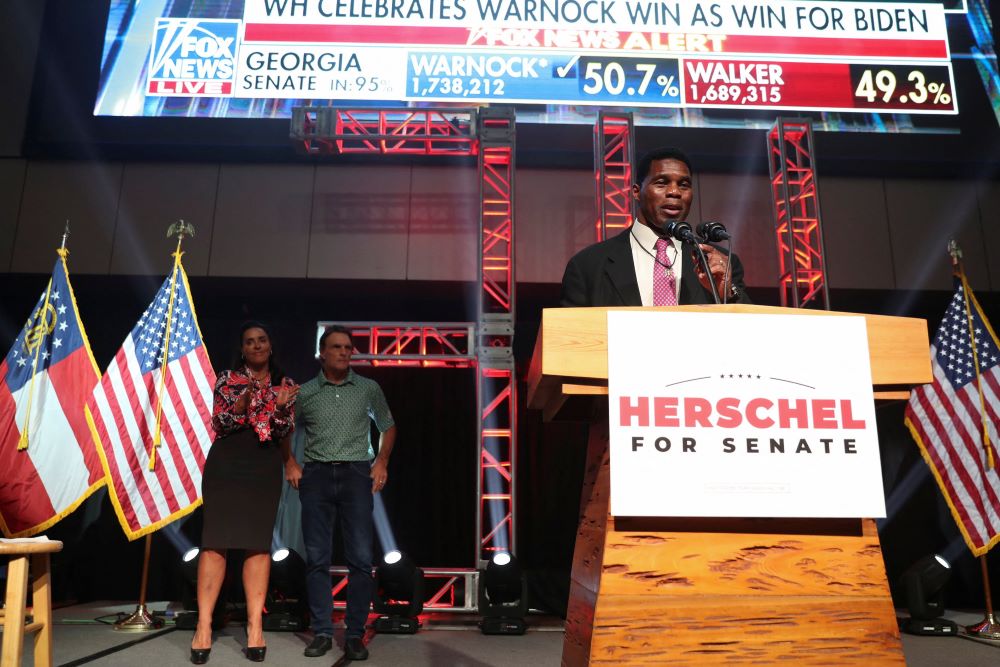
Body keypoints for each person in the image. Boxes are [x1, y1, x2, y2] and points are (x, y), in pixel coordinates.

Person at [286, 325, 397, 661]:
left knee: (361, 559)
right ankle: (321, 632)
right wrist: (290, 462)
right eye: (337, 347)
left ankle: (353, 634)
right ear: (322, 353)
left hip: (355, 474)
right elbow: (284, 427)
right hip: (317, 476)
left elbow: (388, 425)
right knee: (317, 558)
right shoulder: (305, 392)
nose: (344, 352)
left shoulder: (367, 388)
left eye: (348, 347)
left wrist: (381, 462)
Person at [191, 322, 299, 664]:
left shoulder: (285, 385)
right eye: (249, 342)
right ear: (242, 350)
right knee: (215, 540)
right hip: (227, 462)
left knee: (258, 542)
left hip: (264, 465)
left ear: (270, 346)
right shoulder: (227, 379)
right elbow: (219, 423)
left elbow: (282, 431)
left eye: (262, 340)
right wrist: (239, 408)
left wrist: (282, 408)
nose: (256, 346)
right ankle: (204, 626)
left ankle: (255, 627)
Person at [560, 146, 750, 307]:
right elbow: (567, 339)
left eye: (684, 185)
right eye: (662, 183)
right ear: (636, 192)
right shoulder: (588, 265)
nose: (674, 192)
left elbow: (753, 333)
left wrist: (727, 293)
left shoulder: (719, 262)